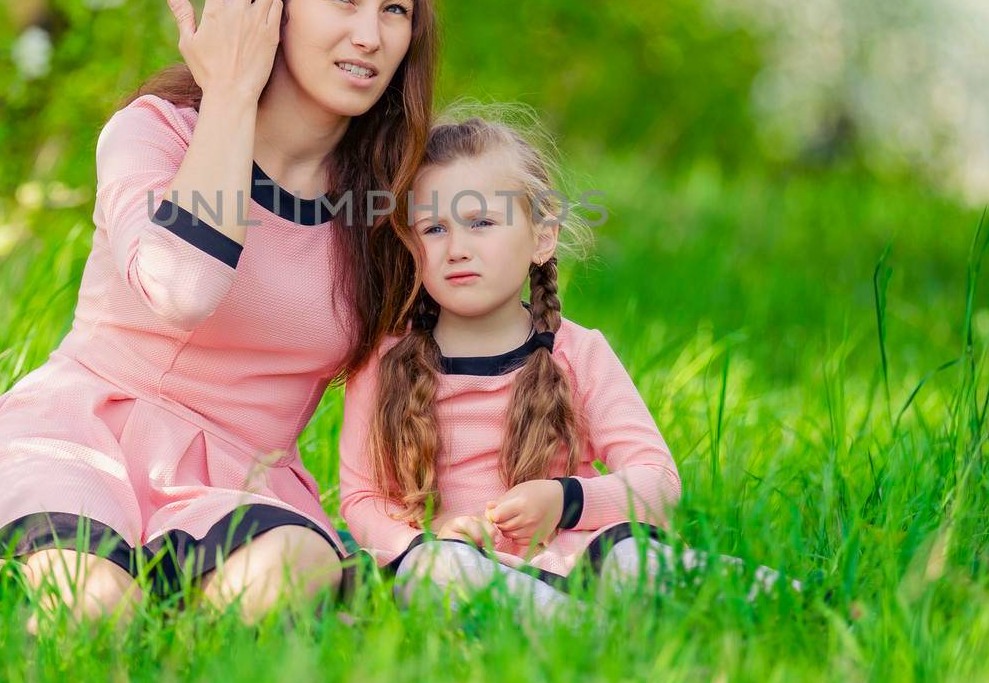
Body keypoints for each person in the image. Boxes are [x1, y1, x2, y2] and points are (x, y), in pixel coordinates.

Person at [0, 0, 440, 625]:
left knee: (292, 573)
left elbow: (403, 422)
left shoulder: (389, 212)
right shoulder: (152, 133)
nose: (370, 35)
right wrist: (230, 95)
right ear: (268, 7)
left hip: (234, 489)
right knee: (90, 603)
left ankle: (120, 607)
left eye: (395, 10)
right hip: (80, 443)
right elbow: (183, 288)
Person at [338, 112, 800, 617]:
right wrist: (424, 542)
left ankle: (794, 604)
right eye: (433, 228)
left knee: (634, 560)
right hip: (468, 568)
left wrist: (566, 500)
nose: (457, 249)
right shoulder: (384, 362)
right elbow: (362, 499)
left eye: (482, 223)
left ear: (542, 237)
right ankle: (584, 631)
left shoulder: (576, 352)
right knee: (433, 574)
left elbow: (658, 483)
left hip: (577, 560)